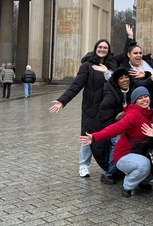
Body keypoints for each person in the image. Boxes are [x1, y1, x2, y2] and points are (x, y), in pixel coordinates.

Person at [49, 39, 118, 178]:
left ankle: (109, 166)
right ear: (95, 48)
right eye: (100, 47)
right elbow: (76, 85)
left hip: (109, 108)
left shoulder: (112, 65)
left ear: (108, 50)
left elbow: (117, 83)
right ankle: (84, 165)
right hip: (91, 107)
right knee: (87, 136)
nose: (102, 50)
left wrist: (107, 73)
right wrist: (63, 101)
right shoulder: (87, 66)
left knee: (108, 137)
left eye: (105, 47)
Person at [79, 86, 153, 198]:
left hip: (140, 153)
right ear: (135, 101)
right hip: (124, 156)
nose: (144, 99)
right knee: (145, 165)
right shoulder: (133, 114)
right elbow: (115, 128)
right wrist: (95, 137)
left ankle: (142, 182)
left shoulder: (152, 114)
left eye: (146, 96)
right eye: (140, 98)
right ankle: (128, 186)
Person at [93, 68, 133, 184]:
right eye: (121, 78)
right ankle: (108, 172)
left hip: (127, 126)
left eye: (126, 77)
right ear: (116, 81)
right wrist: (117, 122)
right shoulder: (111, 96)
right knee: (118, 142)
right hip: (112, 127)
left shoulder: (132, 91)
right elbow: (105, 118)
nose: (125, 80)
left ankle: (120, 169)